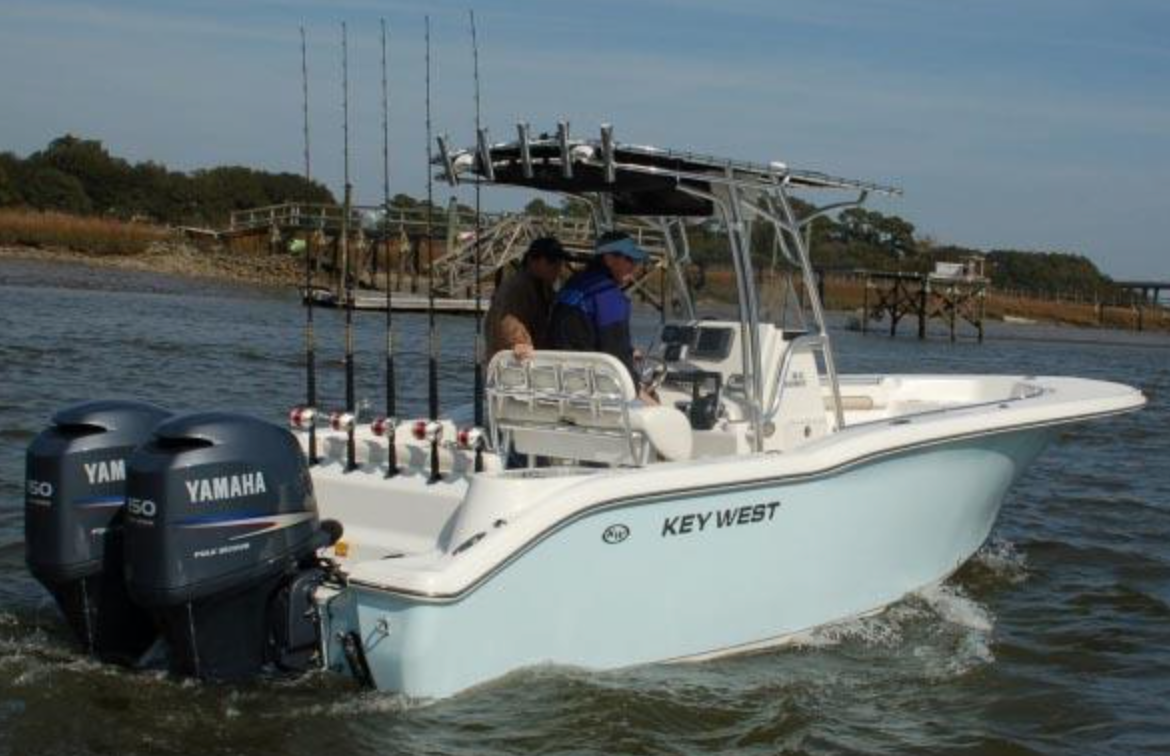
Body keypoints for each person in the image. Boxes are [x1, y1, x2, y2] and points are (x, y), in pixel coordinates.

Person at [547, 230, 657, 403]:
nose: (635, 266)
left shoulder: (574, 283)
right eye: (629, 259)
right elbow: (617, 356)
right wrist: (644, 396)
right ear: (609, 259)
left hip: (558, 383)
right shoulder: (608, 296)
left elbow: (580, 333)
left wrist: (630, 350)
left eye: (636, 260)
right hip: (590, 392)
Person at [484, 236, 568, 359]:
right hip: (515, 365)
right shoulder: (517, 287)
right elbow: (509, 319)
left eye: (559, 263)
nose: (558, 269)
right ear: (534, 261)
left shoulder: (541, 285)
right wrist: (519, 342)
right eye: (553, 263)